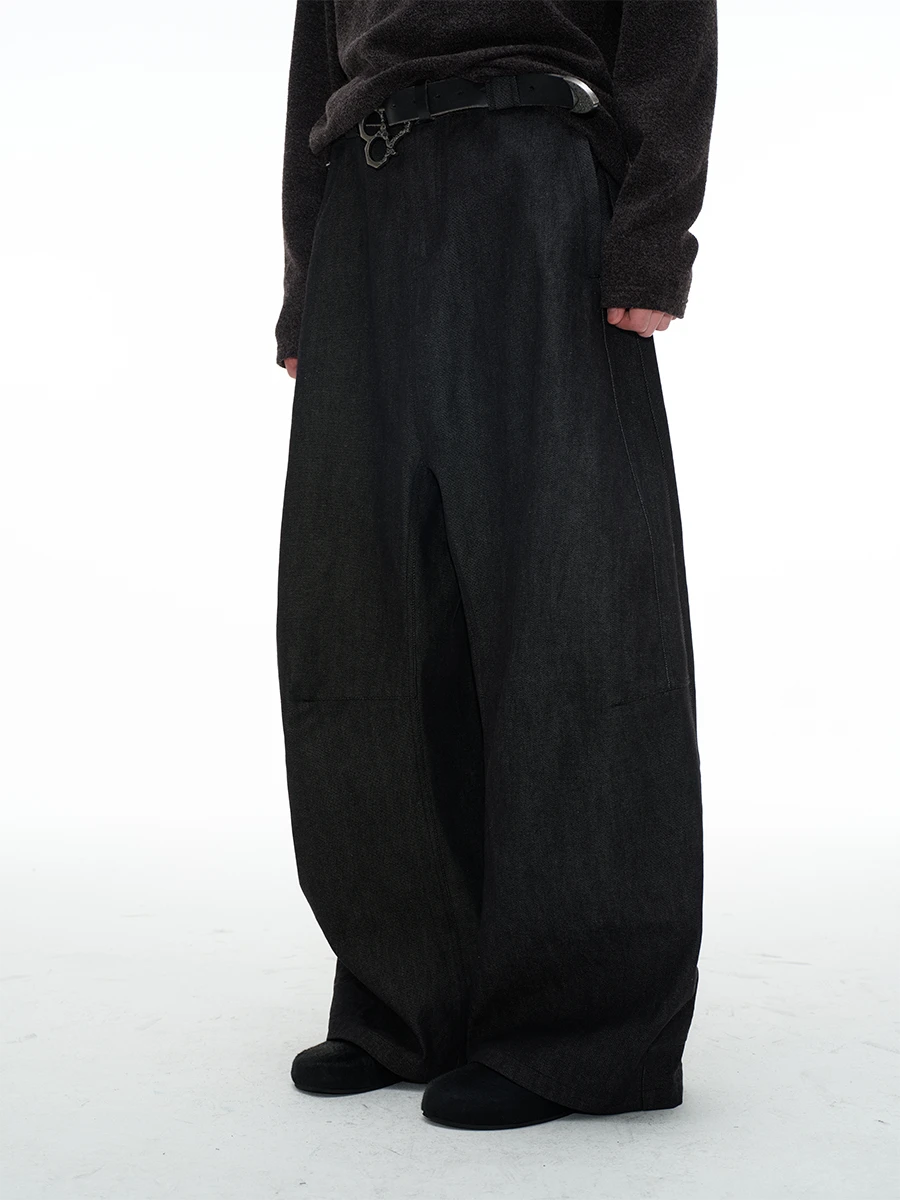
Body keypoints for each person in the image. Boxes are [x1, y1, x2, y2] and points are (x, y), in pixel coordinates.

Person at [274, 0, 717, 1131]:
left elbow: (670, 27)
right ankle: (407, 995)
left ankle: (583, 1029)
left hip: (537, 184)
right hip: (370, 195)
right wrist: (307, 278)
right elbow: (315, 67)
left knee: (572, 601)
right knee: (365, 608)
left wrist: (651, 233)